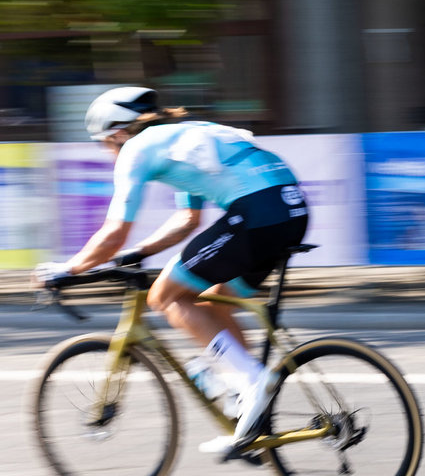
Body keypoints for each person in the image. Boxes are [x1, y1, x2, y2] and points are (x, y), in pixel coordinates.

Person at [32, 86, 309, 456]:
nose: (107, 151)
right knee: (215, 302)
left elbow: (114, 231)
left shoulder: (135, 149)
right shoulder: (184, 137)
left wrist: (68, 268)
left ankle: (253, 382)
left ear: (117, 132)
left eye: (104, 143)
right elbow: (186, 221)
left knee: (165, 296)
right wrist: (139, 252)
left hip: (257, 215)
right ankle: (249, 411)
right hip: (291, 211)